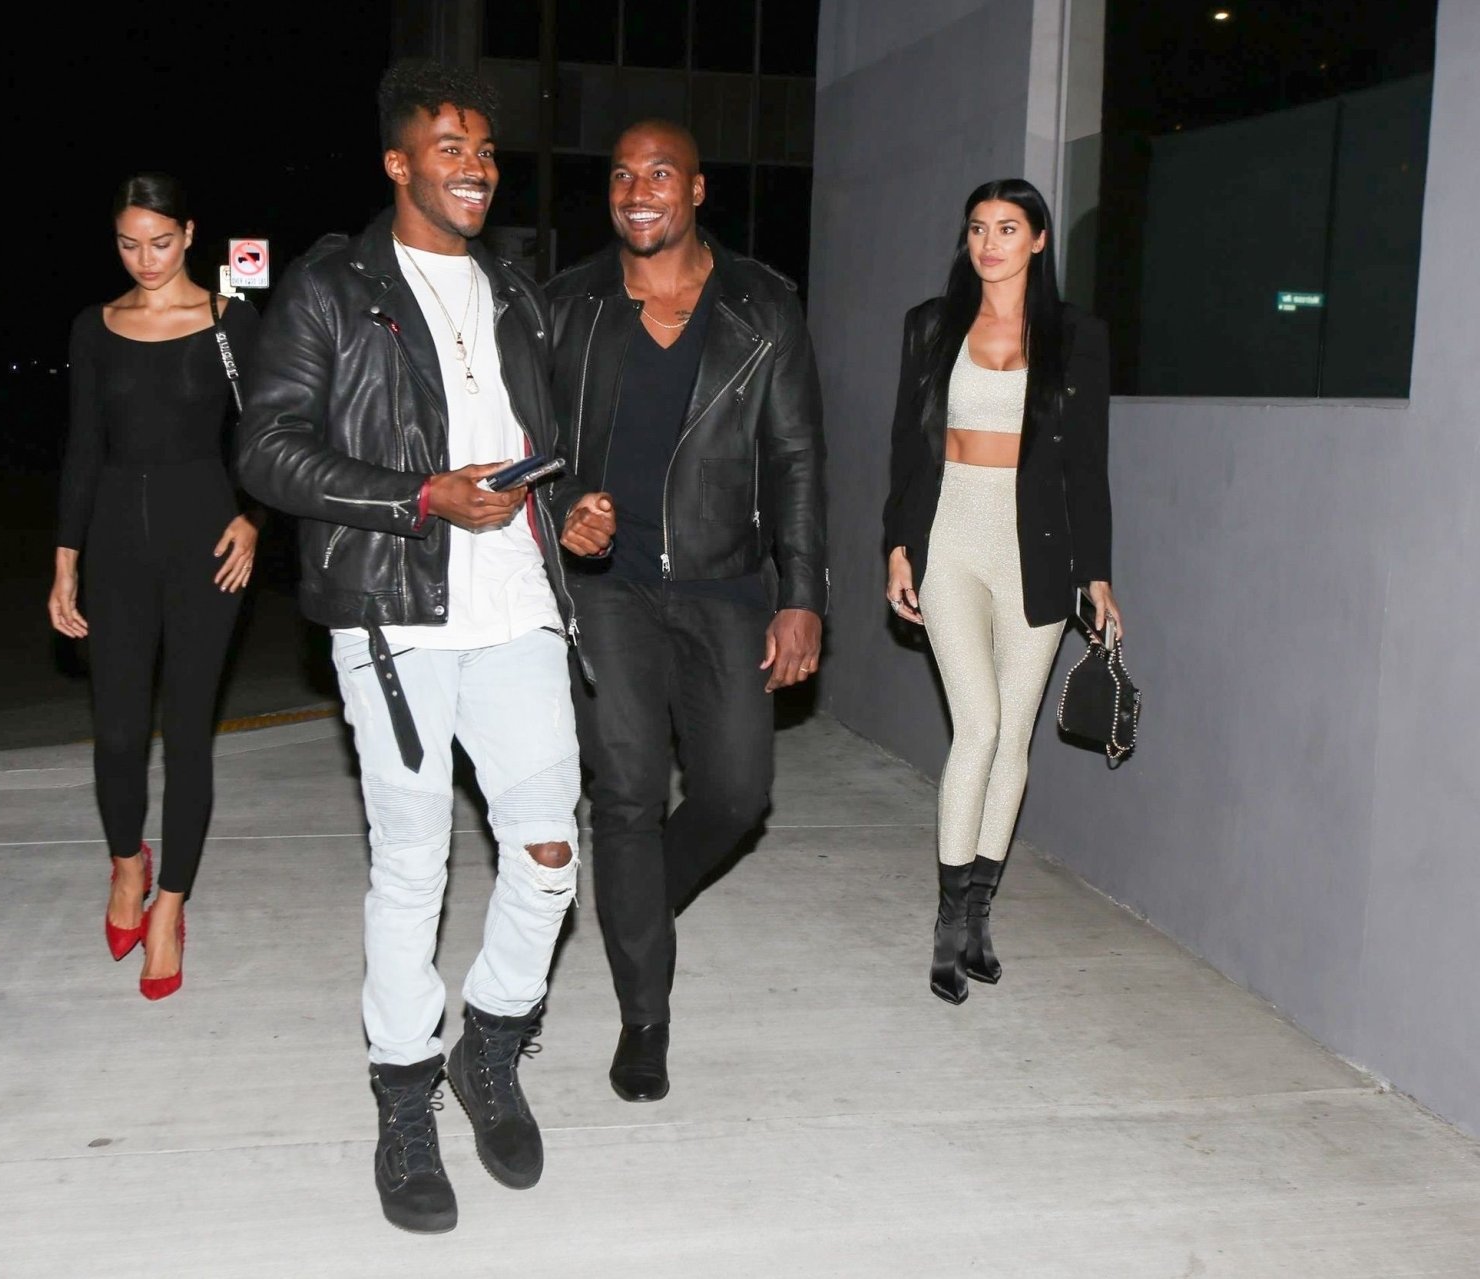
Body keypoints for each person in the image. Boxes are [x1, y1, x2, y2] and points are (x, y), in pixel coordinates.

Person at [235, 61, 615, 1235]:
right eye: (452, 148)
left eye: (486, 151)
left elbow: (532, 439)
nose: (477, 168)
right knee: (413, 865)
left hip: (518, 605)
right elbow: (266, 450)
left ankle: (489, 1044)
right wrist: (419, 499)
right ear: (399, 163)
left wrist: (568, 508)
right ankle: (405, 1093)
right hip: (394, 611)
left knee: (547, 851)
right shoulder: (331, 289)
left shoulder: (514, 292)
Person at [543, 120, 827, 1104]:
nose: (638, 192)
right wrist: (563, 507)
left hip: (726, 582)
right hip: (608, 584)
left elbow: (796, 458)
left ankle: (636, 909)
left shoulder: (763, 306)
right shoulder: (568, 305)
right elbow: (532, 442)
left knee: (737, 795)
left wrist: (802, 595)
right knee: (625, 790)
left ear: (697, 190)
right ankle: (645, 1018)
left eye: (659, 174)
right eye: (622, 175)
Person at [881, 177, 1122, 1005]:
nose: (990, 243)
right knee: (977, 725)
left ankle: (980, 913)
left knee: (1013, 737)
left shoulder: (1077, 337)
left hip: (1037, 549)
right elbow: (906, 446)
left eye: (1008, 228)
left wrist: (1097, 571)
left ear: (1039, 239)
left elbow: (1088, 464)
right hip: (951, 535)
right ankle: (948, 920)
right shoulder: (931, 325)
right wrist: (898, 546)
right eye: (978, 227)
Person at [49, 172, 261, 1002]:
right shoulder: (94, 326)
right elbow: (81, 448)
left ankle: (170, 906)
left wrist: (254, 519)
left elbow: (267, 434)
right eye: (129, 243)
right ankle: (126, 863)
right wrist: (65, 558)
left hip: (208, 542)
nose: (146, 258)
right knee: (116, 731)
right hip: (113, 544)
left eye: (162, 242)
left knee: (188, 732)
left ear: (190, 234)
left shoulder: (229, 322)